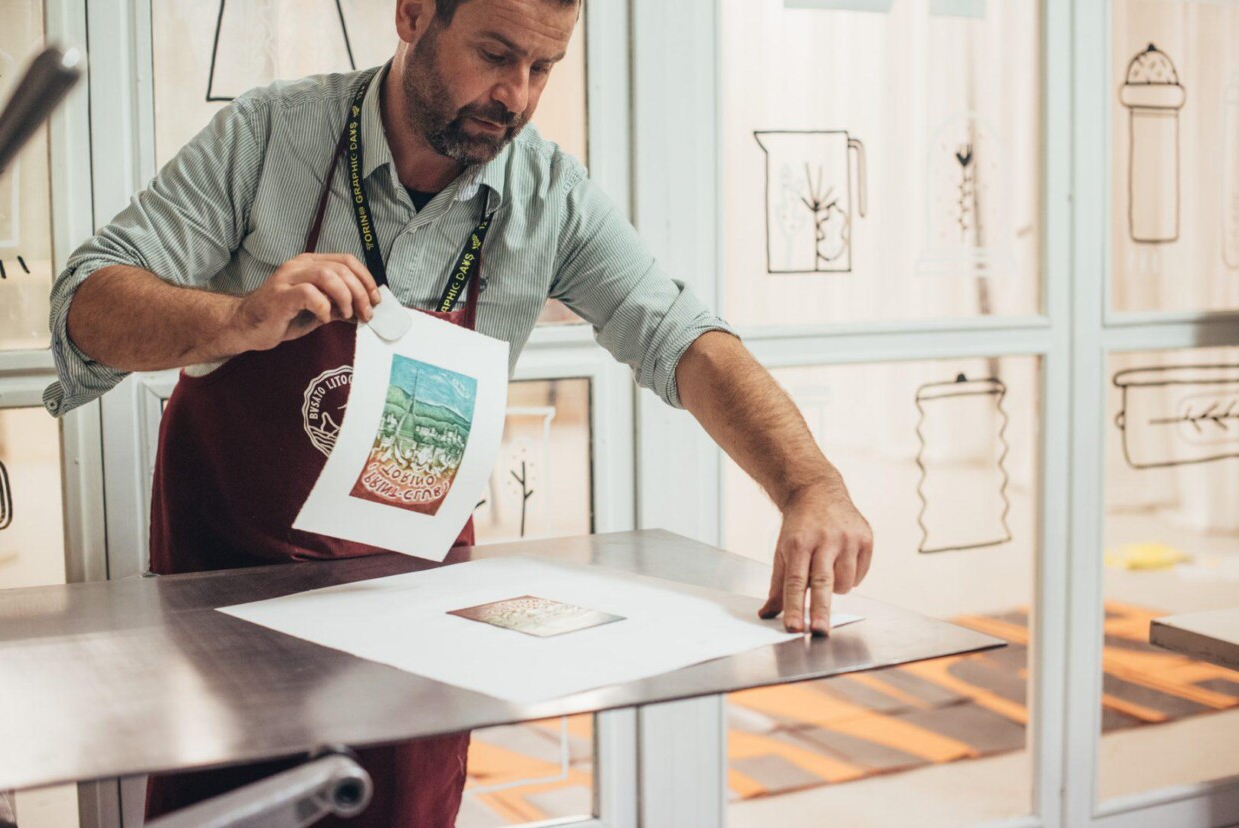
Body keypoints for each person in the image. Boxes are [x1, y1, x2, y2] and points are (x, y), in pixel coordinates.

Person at [44, 0, 874, 823]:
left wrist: (809, 483)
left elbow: (682, 338)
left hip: (413, 606)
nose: (515, 93)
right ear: (412, 17)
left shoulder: (549, 197)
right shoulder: (271, 134)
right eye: (495, 53)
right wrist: (235, 319)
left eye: (542, 67)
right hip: (232, 588)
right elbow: (88, 302)